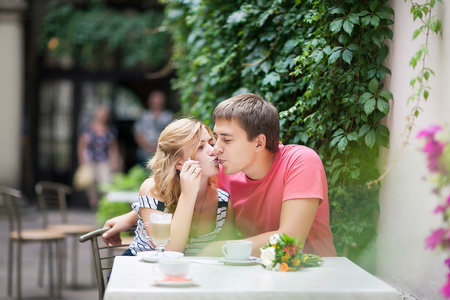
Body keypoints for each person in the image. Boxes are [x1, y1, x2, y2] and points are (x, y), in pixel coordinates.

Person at [103, 93, 336, 257]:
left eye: (226, 139)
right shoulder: (227, 170)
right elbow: (175, 190)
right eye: (216, 138)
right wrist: (135, 214)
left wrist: (219, 248)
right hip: (257, 273)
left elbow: (291, 240)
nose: (216, 148)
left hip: (312, 274)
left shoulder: (300, 161)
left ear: (259, 143)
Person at [125, 118, 236, 256]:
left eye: (211, 143)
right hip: (142, 271)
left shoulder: (223, 203)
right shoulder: (152, 190)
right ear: (178, 163)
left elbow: (225, 256)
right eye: (200, 147)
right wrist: (188, 195)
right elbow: (169, 251)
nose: (213, 151)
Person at [77, 105, 121, 209]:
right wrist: (82, 161)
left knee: (105, 183)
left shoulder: (110, 130)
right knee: (90, 183)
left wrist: (115, 161)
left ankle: (104, 205)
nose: (103, 116)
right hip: (90, 159)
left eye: (105, 115)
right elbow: (81, 145)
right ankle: (94, 204)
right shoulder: (88, 128)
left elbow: (113, 148)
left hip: (104, 160)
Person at [133, 90, 173, 166]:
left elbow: (172, 134)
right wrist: (149, 146)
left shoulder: (168, 116)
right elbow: (138, 134)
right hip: (144, 153)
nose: (156, 103)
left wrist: (159, 147)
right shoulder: (143, 116)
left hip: (163, 153)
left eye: (159, 101)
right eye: (154, 101)